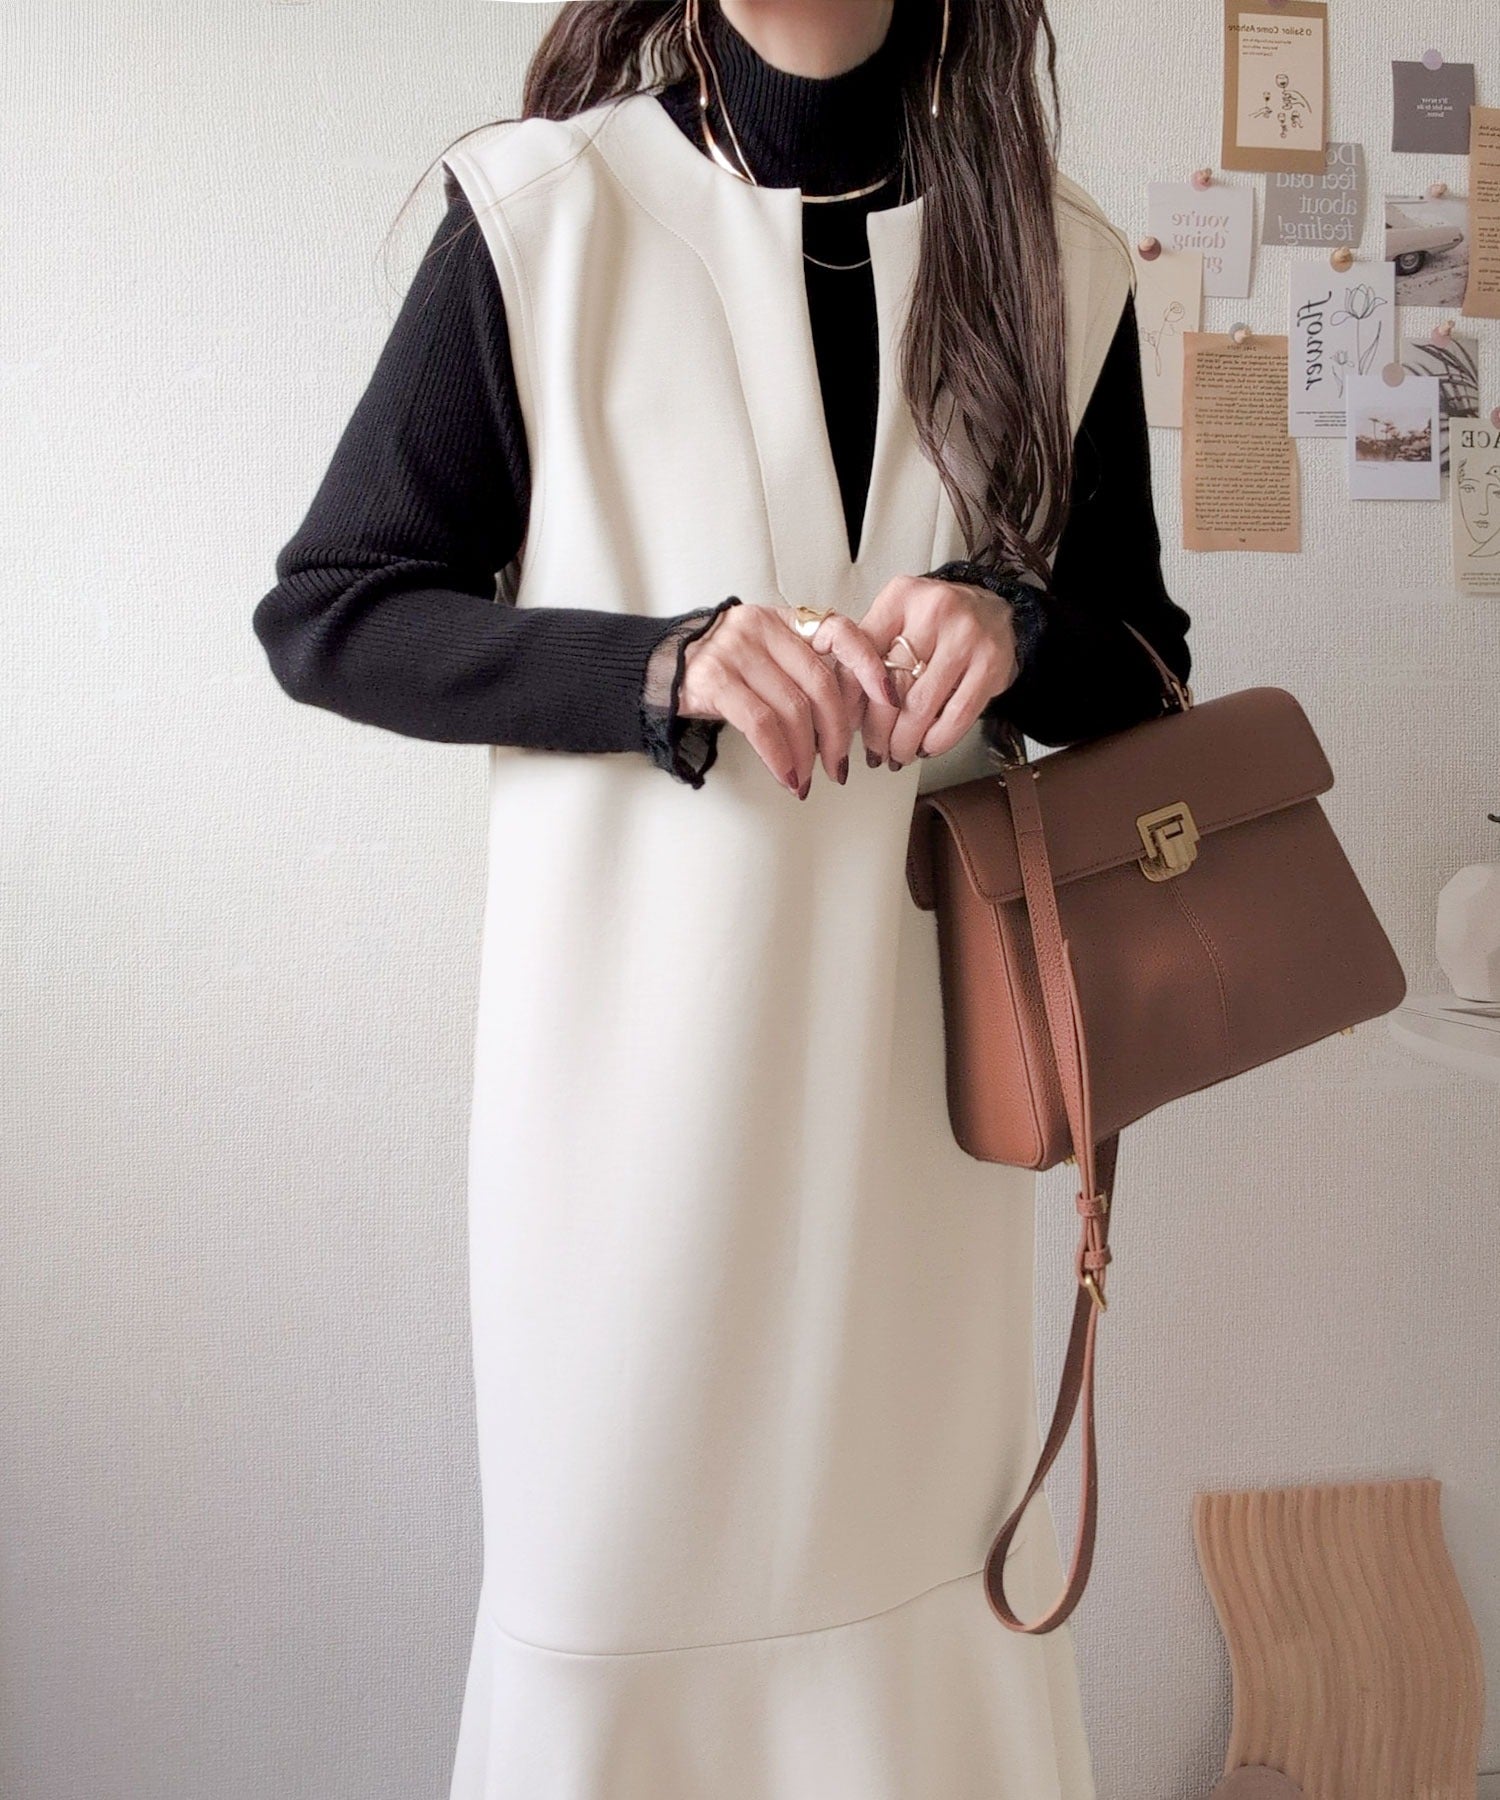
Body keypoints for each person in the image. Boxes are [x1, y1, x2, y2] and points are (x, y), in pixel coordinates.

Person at [254, 1, 1192, 1794]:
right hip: (625, 1153)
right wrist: (662, 664)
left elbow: (1146, 668)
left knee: (923, 1654)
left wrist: (1016, 622)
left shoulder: (1059, 261)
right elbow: (336, 608)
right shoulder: (548, 216)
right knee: (621, 1633)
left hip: (930, 1154)